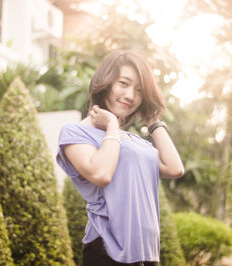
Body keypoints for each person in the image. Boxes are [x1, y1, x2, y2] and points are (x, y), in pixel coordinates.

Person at [56, 50, 184, 266]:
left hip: (146, 253)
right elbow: (101, 174)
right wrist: (113, 125)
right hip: (108, 251)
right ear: (105, 82)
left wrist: (153, 120)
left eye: (140, 91)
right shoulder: (75, 132)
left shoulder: (135, 141)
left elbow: (174, 168)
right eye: (123, 84)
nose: (130, 96)